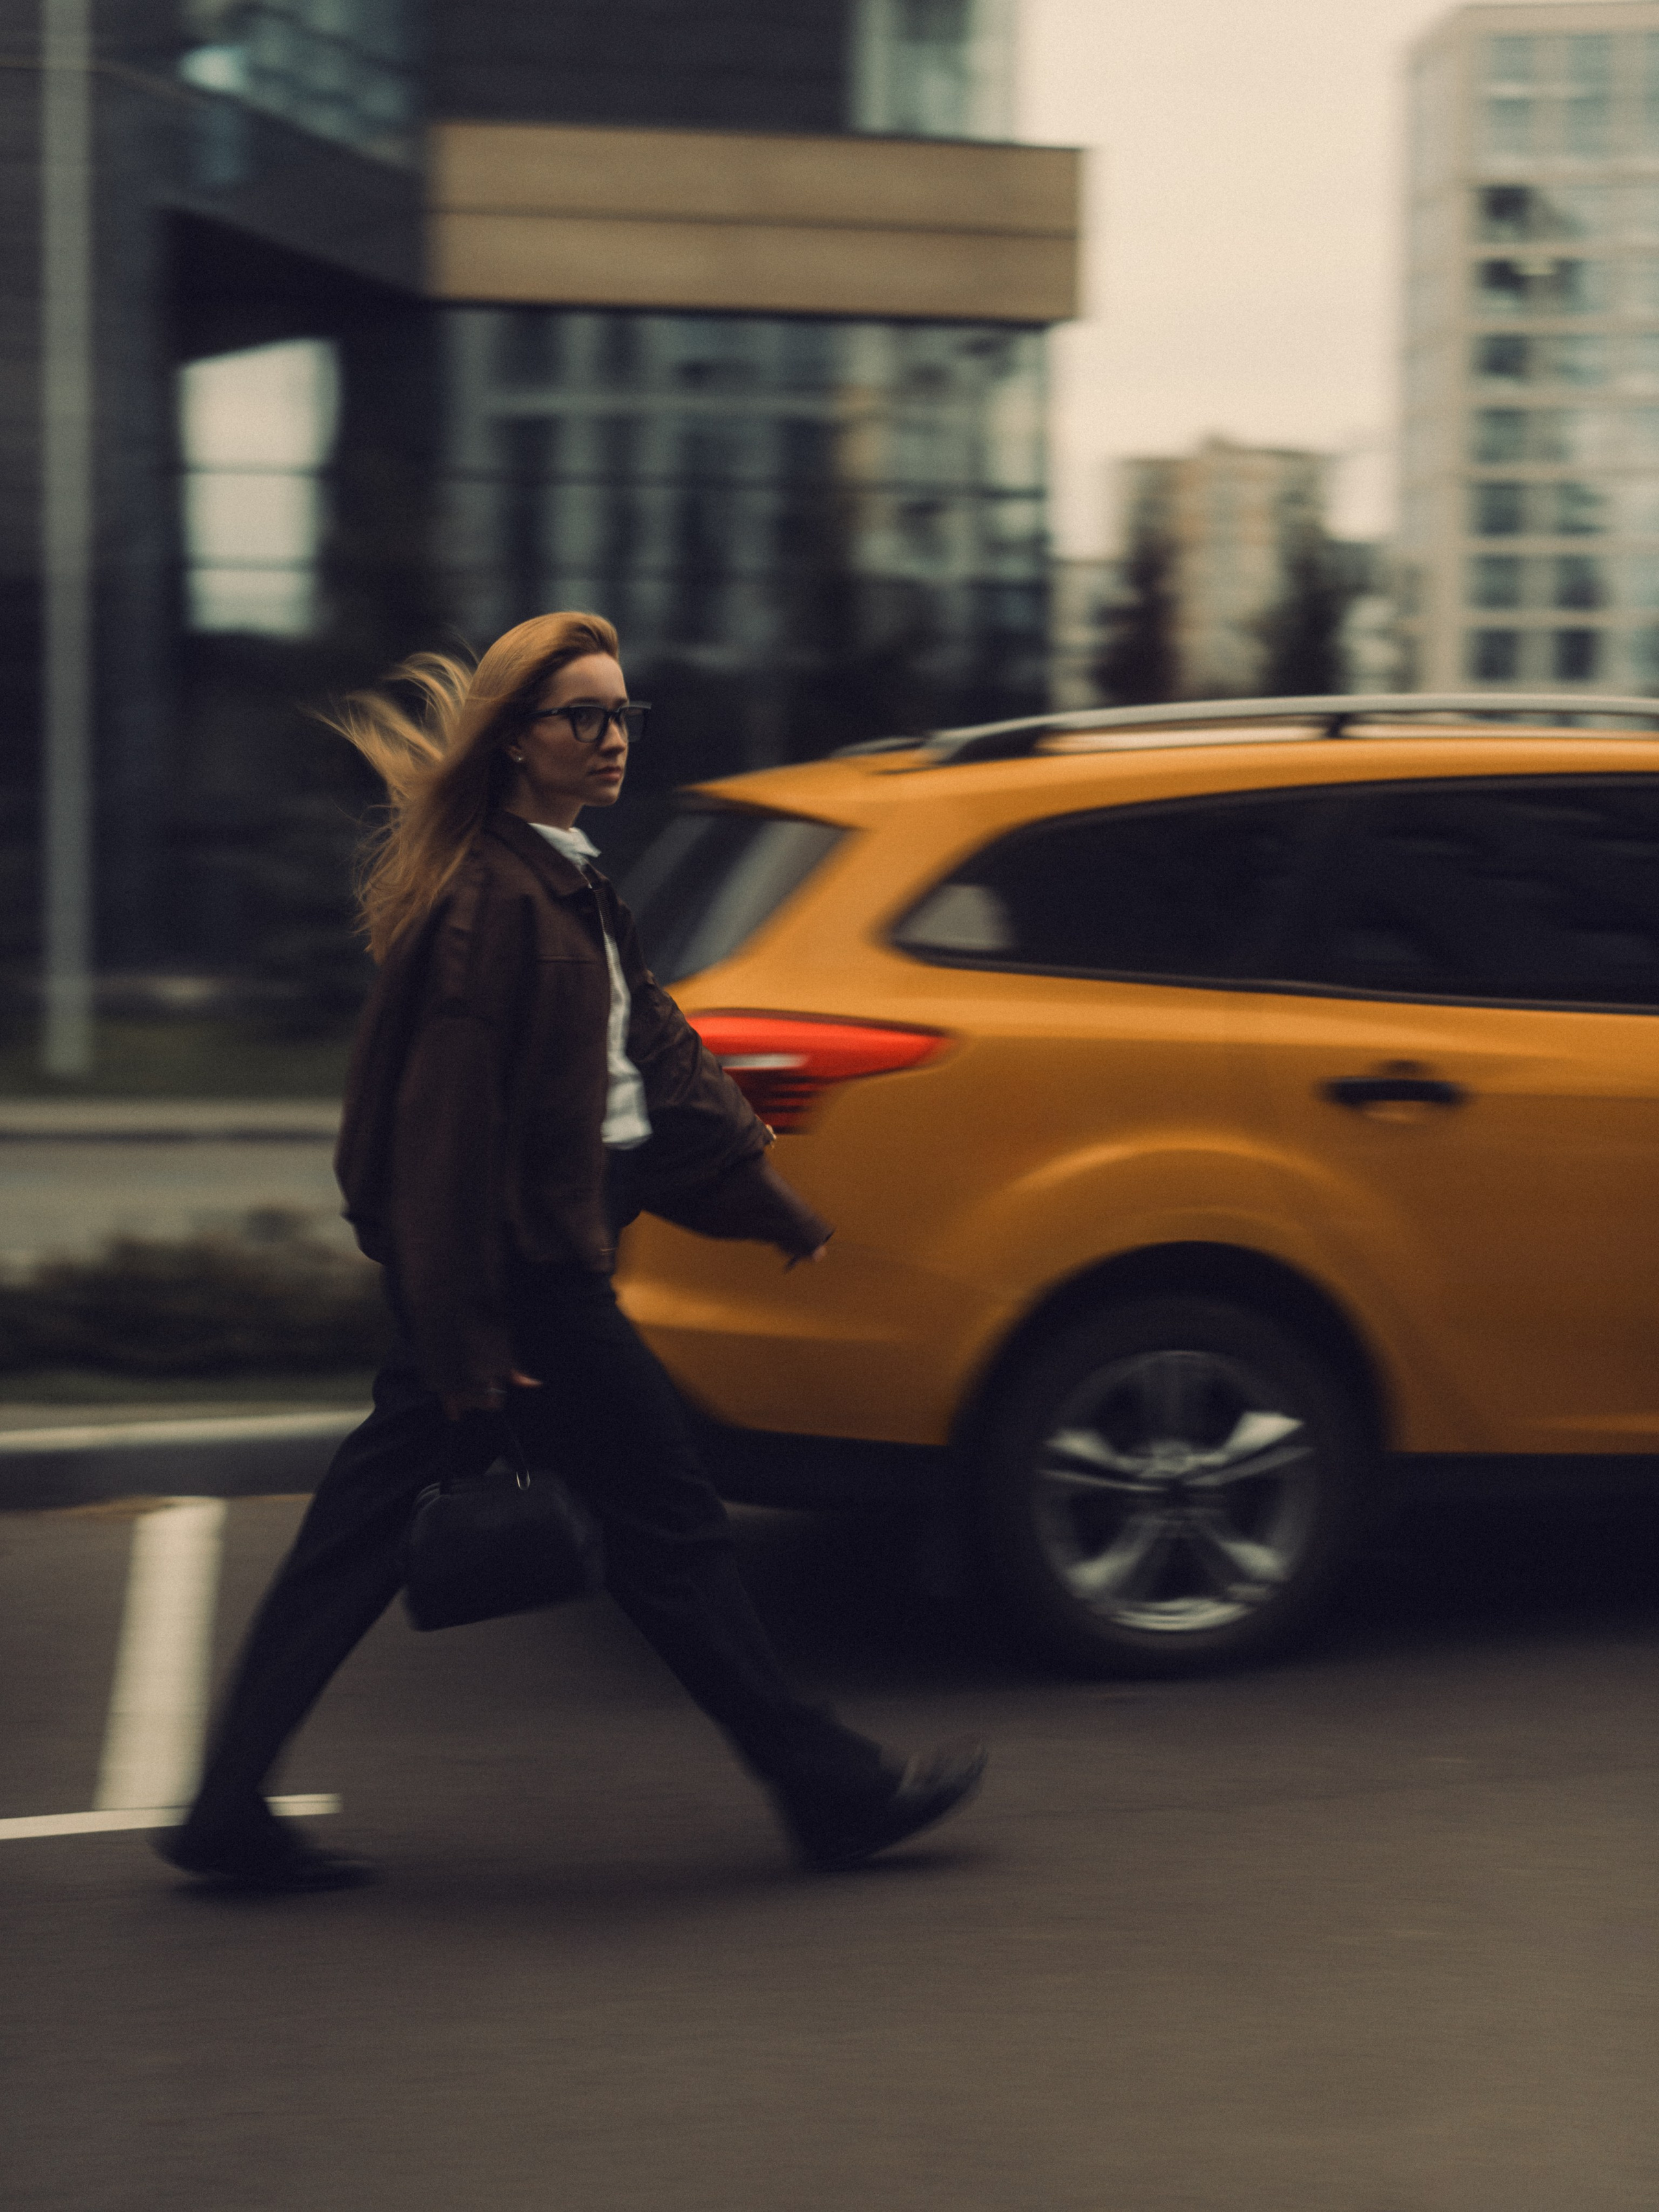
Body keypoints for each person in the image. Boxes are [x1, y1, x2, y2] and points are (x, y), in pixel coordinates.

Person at [157, 611, 986, 1892]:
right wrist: (466, 1341)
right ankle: (830, 1789)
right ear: (514, 739)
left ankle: (224, 1808)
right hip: (523, 1277)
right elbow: (441, 1143)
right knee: (670, 1527)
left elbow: (653, 1057)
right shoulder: (494, 907)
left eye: (621, 714)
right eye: (581, 716)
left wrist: (762, 1199)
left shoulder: (563, 882)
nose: (611, 738)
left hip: (519, 1266)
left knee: (367, 1538)